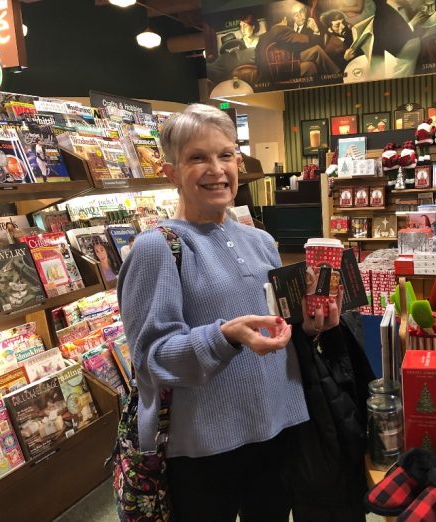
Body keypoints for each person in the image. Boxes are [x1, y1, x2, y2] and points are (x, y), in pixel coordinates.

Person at [117, 104, 359, 521]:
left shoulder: (261, 240)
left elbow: (278, 328)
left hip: (278, 431)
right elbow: (150, 359)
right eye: (198, 157)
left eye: (226, 155)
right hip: (205, 451)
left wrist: (315, 327)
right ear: (171, 172)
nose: (217, 169)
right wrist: (225, 336)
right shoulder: (159, 247)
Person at [207, 14, 261, 84]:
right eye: (241, 27)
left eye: (245, 26)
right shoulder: (236, 47)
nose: (242, 30)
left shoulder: (262, 42)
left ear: (253, 26)